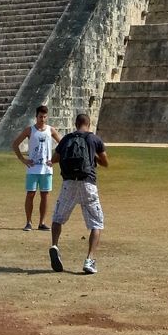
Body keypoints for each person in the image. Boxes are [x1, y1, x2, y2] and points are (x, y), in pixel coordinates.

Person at [49, 112, 108, 274]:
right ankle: (89, 260)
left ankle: (55, 245)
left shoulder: (67, 139)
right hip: (88, 183)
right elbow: (105, 162)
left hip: (69, 182)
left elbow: (55, 159)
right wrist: (94, 156)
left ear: (76, 124)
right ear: (88, 124)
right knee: (96, 223)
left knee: (57, 218)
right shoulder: (94, 139)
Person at [12, 105, 61, 231]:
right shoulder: (30, 130)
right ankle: (28, 222)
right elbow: (15, 144)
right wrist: (23, 159)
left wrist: (55, 160)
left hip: (46, 169)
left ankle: (42, 222)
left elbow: (62, 145)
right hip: (33, 168)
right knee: (30, 194)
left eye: (45, 117)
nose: (42, 119)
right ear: (36, 117)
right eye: (40, 117)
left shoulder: (51, 130)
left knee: (45, 195)